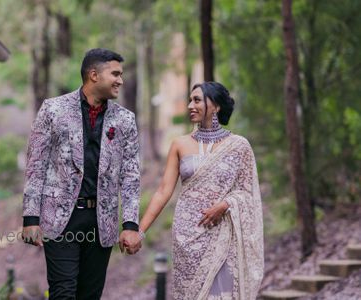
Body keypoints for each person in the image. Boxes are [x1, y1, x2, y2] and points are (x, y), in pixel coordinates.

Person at [21, 48, 143, 299]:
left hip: (102, 222)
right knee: (63, 293)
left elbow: (130, 175)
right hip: (60, 220)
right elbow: (36, 165)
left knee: (89, 295)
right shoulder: (52, 110)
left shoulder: (125, 120)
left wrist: (130, 225)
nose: (120, 80)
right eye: (115, 73)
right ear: (94, 75)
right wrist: (30, 217)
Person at [138, 82, 264, 299]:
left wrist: (225, 205)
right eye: (190, 100)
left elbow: (248, 192)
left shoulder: (239, 146)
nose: (190, 105)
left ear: (215, 107)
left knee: (222, 293)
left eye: (196, 100)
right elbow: (163, 191)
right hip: (187, 236)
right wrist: (140, 231)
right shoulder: (180, 144)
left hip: (224, 236)